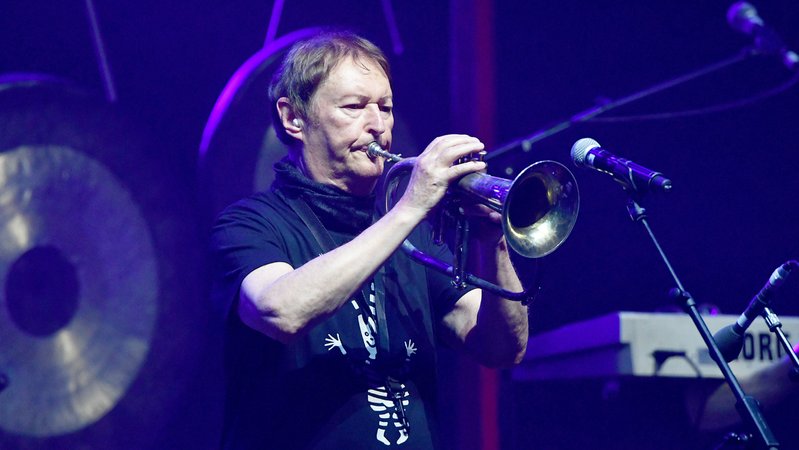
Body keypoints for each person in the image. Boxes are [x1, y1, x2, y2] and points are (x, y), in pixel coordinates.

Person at [210, 30, 529, 449]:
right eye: (355, 107)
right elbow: (280, 311)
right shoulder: (249, 224)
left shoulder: (411, 236)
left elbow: (503, 347)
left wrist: (494, 244)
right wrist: (410, 207)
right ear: (293, 119)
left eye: (386, 108)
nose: (378, 125)